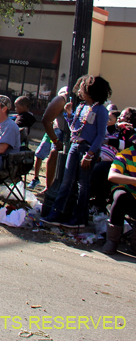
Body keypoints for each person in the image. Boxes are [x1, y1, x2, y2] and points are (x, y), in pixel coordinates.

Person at [42, 75, 112, 229]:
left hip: (87, 150)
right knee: (67, 181)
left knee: (83, 185)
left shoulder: (101, 110)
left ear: (91, 91)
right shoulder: (81, 107)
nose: (79, 91)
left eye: (82, 89)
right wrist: (68, 115)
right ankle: (57, 212)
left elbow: (101, 135)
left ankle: (80, 217)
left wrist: (90, 154)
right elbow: (75, 128)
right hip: (74, 147)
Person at [30, 86, 70, 190]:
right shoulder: (62, 100)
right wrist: (55, 140)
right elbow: (46, 119)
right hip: (58, 131)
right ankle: (49, 188)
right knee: (54, 153)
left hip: (72, 134)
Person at [101, 142, 136, 254]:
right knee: (121, 196)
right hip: (128, 196)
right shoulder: (125, 155)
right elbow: (112, 176)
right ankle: (112, 241)